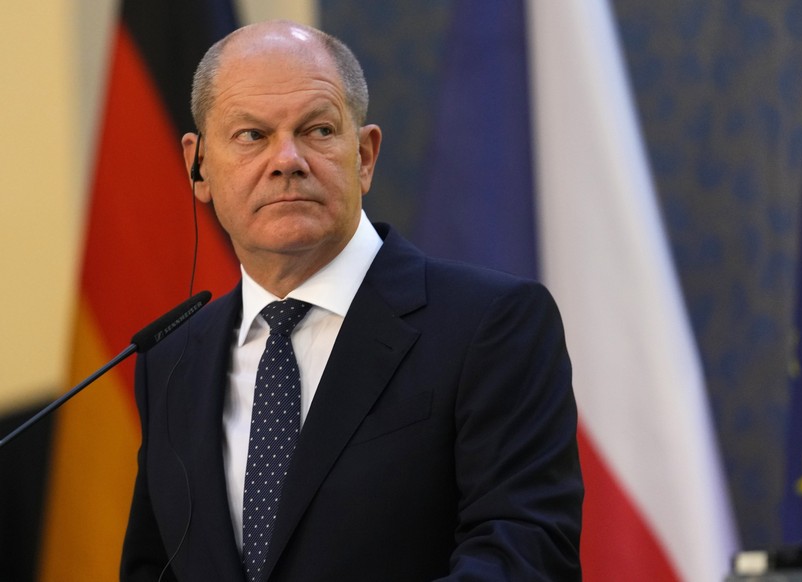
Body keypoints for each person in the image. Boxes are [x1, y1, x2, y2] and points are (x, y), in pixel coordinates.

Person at [121, 19, 582, 581]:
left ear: (364, 155)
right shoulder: (172, 360)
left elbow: (524, 557)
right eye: (252, 136)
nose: (286, 159)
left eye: (317, 130)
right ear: (199, 166)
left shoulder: (491, 325)